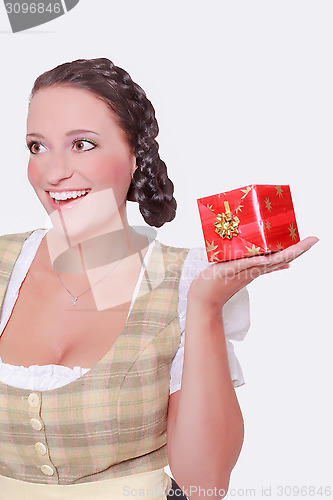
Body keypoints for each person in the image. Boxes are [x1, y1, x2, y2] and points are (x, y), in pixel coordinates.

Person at [0, 57, 318, 500]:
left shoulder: (183, 281)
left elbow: (204, 484)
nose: (53, 173)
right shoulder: (2, 262)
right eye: (37, 146)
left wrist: (205, 306)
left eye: (83, 145)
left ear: (135, 156)